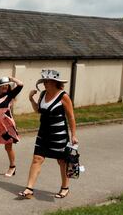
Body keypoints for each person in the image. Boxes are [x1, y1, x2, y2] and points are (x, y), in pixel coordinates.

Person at [18, 69, 78, 199]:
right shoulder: (43, 94)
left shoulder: (63, 96)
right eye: (44, 81)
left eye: (47, 81)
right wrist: (31, 99)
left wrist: (73, 135)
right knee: (37, 158)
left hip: (59, 134)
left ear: (55, 82)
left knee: (62, 161)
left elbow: (71, 117)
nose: (45, 83)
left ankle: (65, 187)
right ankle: (29, 188)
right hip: (43, 133)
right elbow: (39, 110)